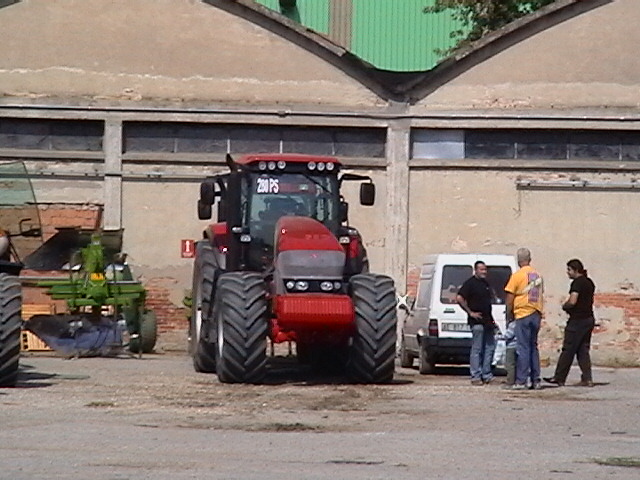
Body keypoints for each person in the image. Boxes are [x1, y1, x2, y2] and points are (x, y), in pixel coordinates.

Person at [544, 259, 596, 387]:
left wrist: (565, 306)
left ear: (575, 270)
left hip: (577, 320)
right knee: (583, 350)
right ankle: (587, 378)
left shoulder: (577, 283)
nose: (567, 273)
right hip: (588, 319)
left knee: (568, 349)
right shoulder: (589, 282)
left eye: (569, 270)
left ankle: (559, 377)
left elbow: (573, 301)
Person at [504, 248, 544, 390]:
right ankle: (536, 380)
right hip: (536, 312)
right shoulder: (538, 275)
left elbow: (510, 297)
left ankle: (521, 381)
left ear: (518, 260)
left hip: (522, 313)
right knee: (533, 347)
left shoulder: (517, 276)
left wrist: (509, 315)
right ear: (530, 259)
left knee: (523, 348)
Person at [457, 261, 496, 385]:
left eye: (485, 270)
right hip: (477, 322)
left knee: (489, 348)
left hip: (488, 321)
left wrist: (492, 320)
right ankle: (475, 376)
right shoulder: (470, 283)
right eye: (481, 270)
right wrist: (470, 312)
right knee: (477, 349)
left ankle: (487, 374)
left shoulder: (486, 284)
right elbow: (459, 298)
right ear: (476, 270)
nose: (484, 272)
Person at [503, 320, 518, 386]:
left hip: (511, 346)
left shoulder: (513, 324)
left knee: (510, 365)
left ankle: (510, 381)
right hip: (520, 346)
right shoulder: (522, 323)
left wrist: (496, 337)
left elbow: (508, 336)